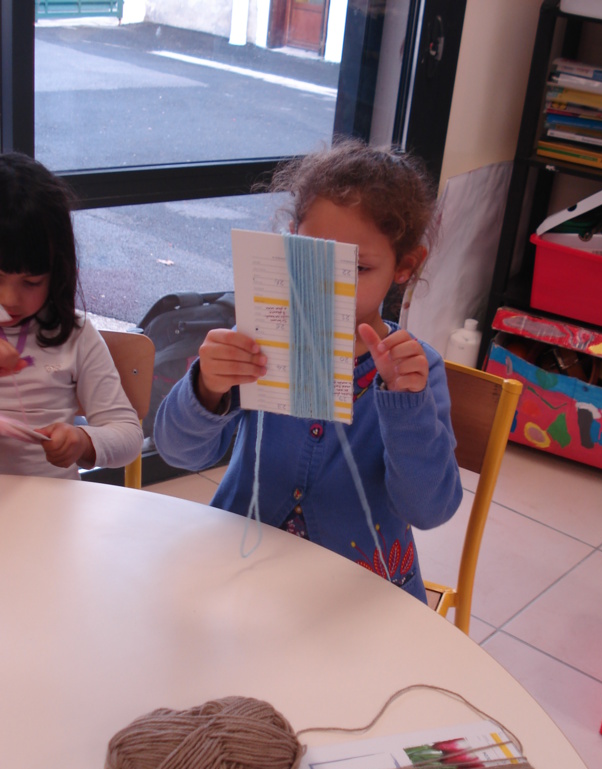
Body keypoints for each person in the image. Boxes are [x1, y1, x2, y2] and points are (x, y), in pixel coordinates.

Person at [154, 140, 462, 603]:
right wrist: (206, 387)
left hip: (357, 593)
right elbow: (179, 451)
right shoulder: (259, 336)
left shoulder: (417, 373)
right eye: (311, 255)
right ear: (291, 237)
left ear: (405, 266)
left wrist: (406, 407)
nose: (328, 284)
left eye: (357, 267)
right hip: (241, 568)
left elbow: (429, 508)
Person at [0, 152, 143, 479]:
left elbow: (128, 435)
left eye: (31, 281)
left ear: (56, 273)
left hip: (52, 512)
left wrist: (82, 441)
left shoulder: (74, 335)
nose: (9, 298)